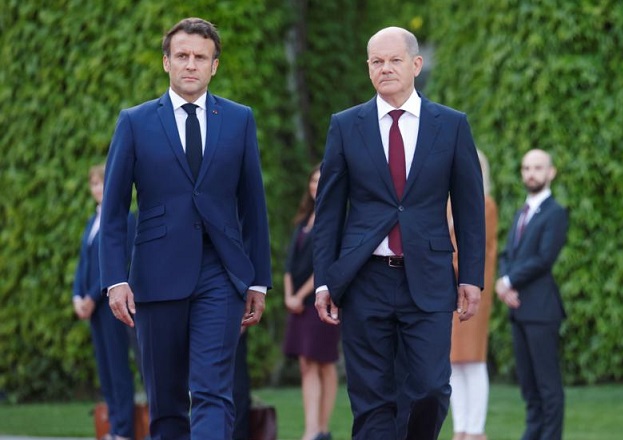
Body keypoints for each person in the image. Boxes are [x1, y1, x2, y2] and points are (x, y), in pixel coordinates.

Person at [100, 17, 272, 439]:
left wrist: (259, 281)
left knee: (213, 391)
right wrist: (115, 280)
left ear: (214, 66)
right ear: (166, 62)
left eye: (200, 57)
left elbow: (253, 205)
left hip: (222, 273)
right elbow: (114, 210)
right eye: (182, 56)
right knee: (166, 404)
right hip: (156, 276)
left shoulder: (239, 119)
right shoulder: (135, 122)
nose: (191, 64)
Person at [312, 26, 486, 440]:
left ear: (416, 64)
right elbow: (329, 212)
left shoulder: (451, 125)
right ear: (368, 68)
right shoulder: (345, 125)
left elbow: (469, 209)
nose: (385, 68)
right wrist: (324, 281)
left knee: (430, 388)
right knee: (371, 398)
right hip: (364, 279)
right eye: (377, 61)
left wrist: (471, 277)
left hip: (428, 277)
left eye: (394, 60)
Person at [495, 149, 568, 440]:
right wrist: (503, 283)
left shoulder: (555, 213)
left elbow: (543, 258)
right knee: (529, 387)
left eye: (538, 168)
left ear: (551, 172)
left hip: (541, 311)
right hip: (518, 310)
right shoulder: (521, 212)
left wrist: (508, 281)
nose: (531, 174)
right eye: (526, 168)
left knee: (548, 386)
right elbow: (506, 254)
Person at [73, 163, 137, 440]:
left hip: (112, 305)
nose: (98, 189)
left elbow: (118, 262)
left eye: (102, 183)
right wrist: (78, 296)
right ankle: (113, 427)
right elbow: (83, 264)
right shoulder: (92, 222)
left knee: (118, 366)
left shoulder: (126, 219)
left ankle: (124, 430)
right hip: (93, 310)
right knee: (105, 368)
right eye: (94, 184)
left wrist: (91, 296)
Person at [282, 164, 339, 440]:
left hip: (321, 300)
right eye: (313, 181)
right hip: (298, 305)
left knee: (324, 362)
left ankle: (321, 429)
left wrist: (300, 295)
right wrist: (288, 295)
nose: (316, 185)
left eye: (321, 180)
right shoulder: (304, 218)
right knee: (306, 363)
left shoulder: (335, 218)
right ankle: (312, 428)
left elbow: (325, 264)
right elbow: (289, 265)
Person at [449, 150, 498, 440]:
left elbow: (477, 250)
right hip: (447, 291)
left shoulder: (485, 205)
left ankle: (476, 430)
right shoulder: (446, 203)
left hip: (471, 290)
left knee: (473, 359)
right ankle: (461, 428)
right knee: (453, 361)